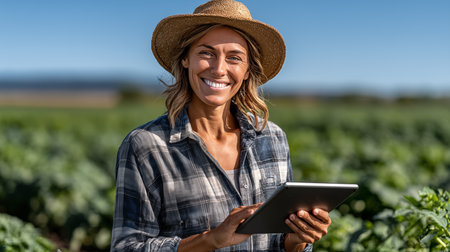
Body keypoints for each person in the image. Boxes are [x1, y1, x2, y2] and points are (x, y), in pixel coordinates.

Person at [111, 0, 331, 251]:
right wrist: (211, 239)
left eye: (234, 58)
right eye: (206, 53)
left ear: (248, 70)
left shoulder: (273, 139)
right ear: (186, 59)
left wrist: (298, 238)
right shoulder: (146, 145)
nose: (219, 69)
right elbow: (127, 247)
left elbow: (280, 242)